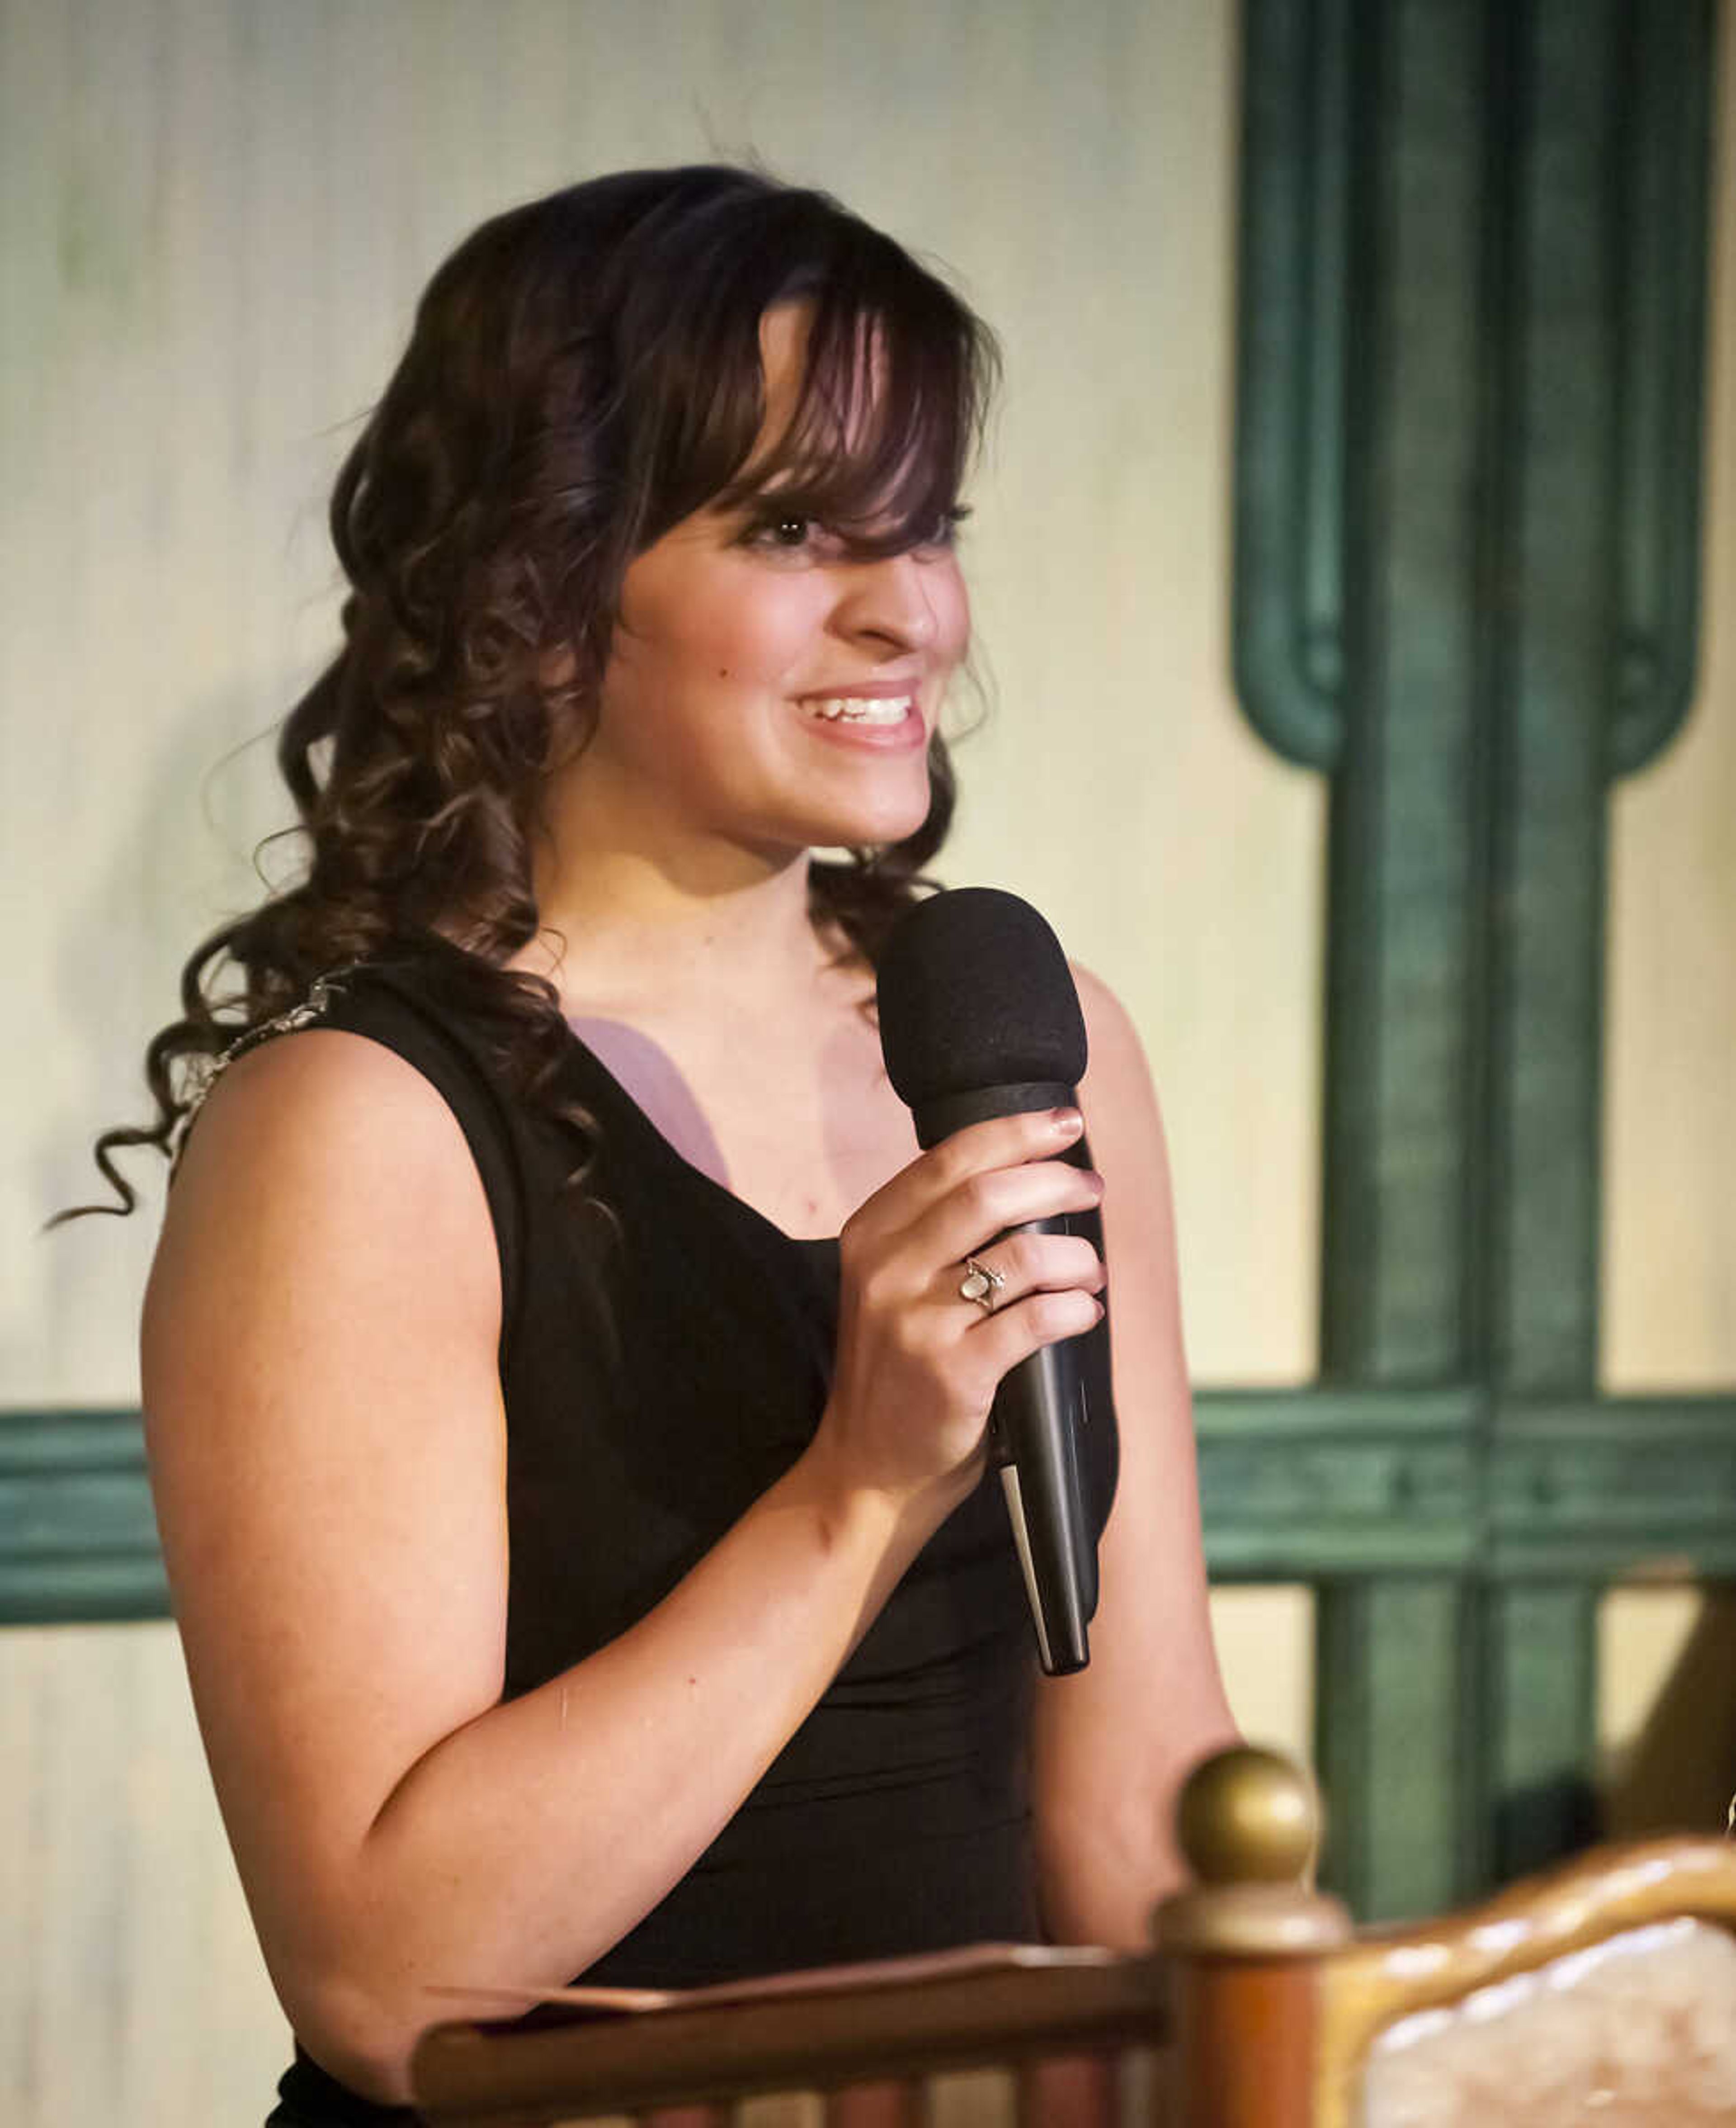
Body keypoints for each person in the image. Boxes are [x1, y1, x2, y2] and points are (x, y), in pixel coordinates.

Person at [72, 164, 1237, 2122]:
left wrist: (1392, 2042)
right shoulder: (358, 1128)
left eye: (928, 523)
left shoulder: (1048, 1040)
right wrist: (857, 1490)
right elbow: (385, 1976)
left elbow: (1136, 1816)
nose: (913, 606)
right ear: (543, 586)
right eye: (797, 527)